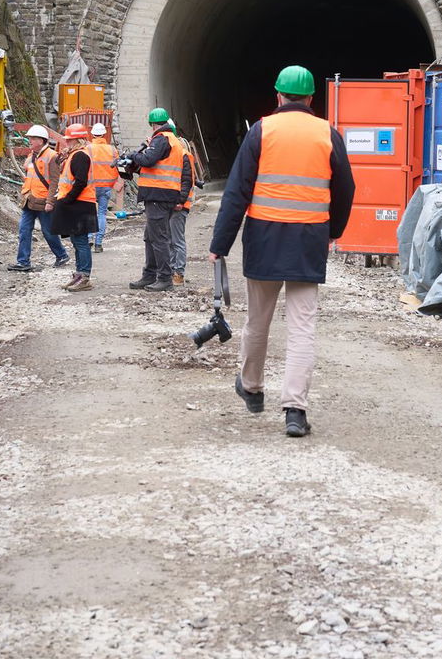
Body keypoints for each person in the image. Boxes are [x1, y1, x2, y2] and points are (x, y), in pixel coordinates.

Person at [209, 66, 355, 438]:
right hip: (308, 242)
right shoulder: (328, 134)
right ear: (310, 99)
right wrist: (331, 232)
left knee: (258, 322)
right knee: (302, 327)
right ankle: (294, 410)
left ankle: (253, 388)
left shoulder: (261, 131)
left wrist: (220, 245)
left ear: (278, 96)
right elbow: (346, 189)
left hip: (264, 239)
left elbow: (237, 191)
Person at [123, 107, 188, 292]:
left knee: (158, 238)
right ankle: (150, 275)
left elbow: (149, 159)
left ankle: (164, 278)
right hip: (163, 195)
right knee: (150, 236)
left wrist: (132, 155)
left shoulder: (161, 138)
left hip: (159, 195)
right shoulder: (172, 140)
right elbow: (155, 165)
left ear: (152, 124)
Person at [10, 125, 69, 272]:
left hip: (43, 201)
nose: (29, 140)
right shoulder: (33, 155)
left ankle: (61, 255)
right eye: (29, 138)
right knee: (24, 230)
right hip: (29, 199)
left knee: (48, 231)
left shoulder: (52, 156)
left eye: (33, 138)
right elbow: (27, 168)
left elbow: (55, 181)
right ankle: (23, 261)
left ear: (41, 141)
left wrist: (50, 201)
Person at [51, 124, 98, 291]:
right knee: (77, 241)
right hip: (78, 203)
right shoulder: (75, 155)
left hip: (80, 204)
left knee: (81, 242)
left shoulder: (80, 156)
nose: (66, 142)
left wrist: (67, 200)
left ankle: (84, 277)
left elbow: (80, 182)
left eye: (69, 139)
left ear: (76, 139)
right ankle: (80, 275)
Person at [169, 127, 204, 286]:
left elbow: (186, 181)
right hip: (176, 203)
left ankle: (178, 273)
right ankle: (173, 271)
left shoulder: (184, 157)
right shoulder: (182, 157)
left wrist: (180, 201)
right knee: (171, 240)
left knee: (176, 240)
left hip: (180, 205)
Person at [87, 122, 120, 253]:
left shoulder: (87, 149)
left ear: (93, 134)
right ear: (104, 135)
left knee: (89, 212)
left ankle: (89, 238)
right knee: (101, 213)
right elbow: (118, 168)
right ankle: (98, 243)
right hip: (106, 186)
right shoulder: (112, 150)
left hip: (90, 186)